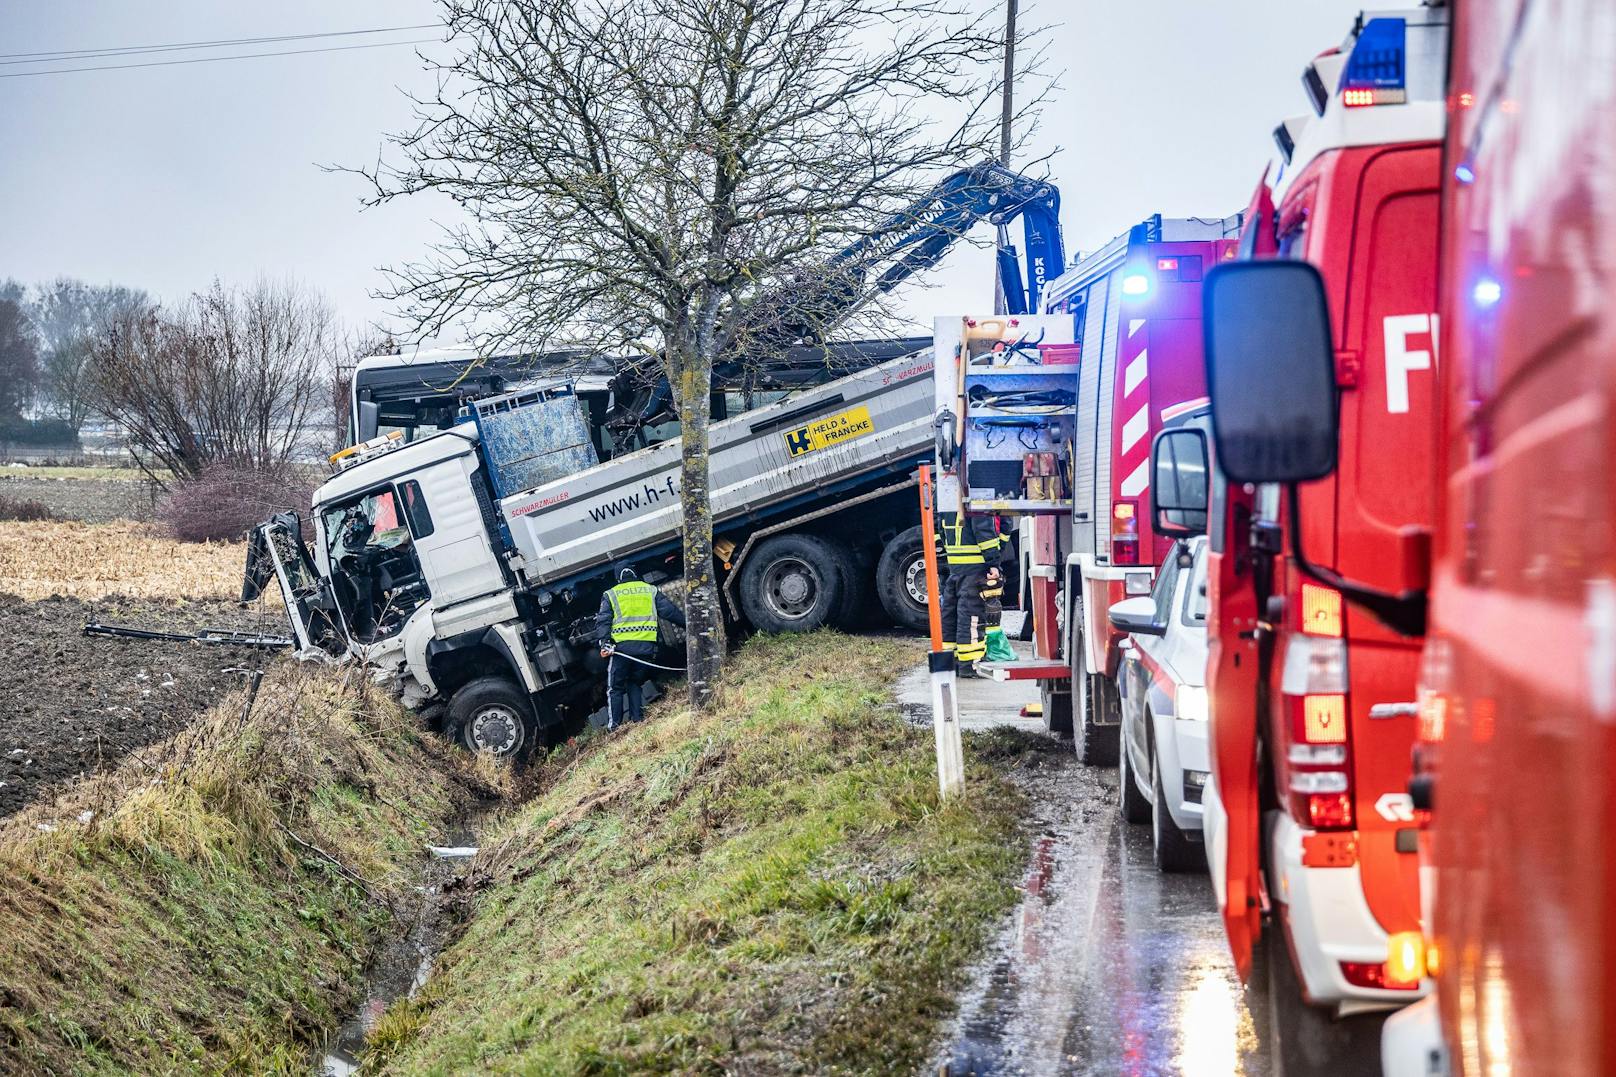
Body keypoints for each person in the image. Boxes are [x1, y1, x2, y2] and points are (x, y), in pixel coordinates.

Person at [594, 565, 686, 729]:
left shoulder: (611, 594)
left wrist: (604, 642)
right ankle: (637, 718)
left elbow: (603, 621)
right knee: (634, 682)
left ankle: (614, 725)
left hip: (622, 651)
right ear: (635, 573)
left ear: (618, 578)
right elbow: (670, 612)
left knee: (615, 688)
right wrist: (688, 625)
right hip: (646, 650)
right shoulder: (649, 590)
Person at [937, 511, 1006, 677]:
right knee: (971, 617)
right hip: (975, 566)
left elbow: (939, 527)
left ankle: (950, 662)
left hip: (954, 565)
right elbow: (982, 528)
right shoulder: (975, 489)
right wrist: (993, 561)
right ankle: (971, 664)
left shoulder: (945, 491)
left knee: (950, 617)